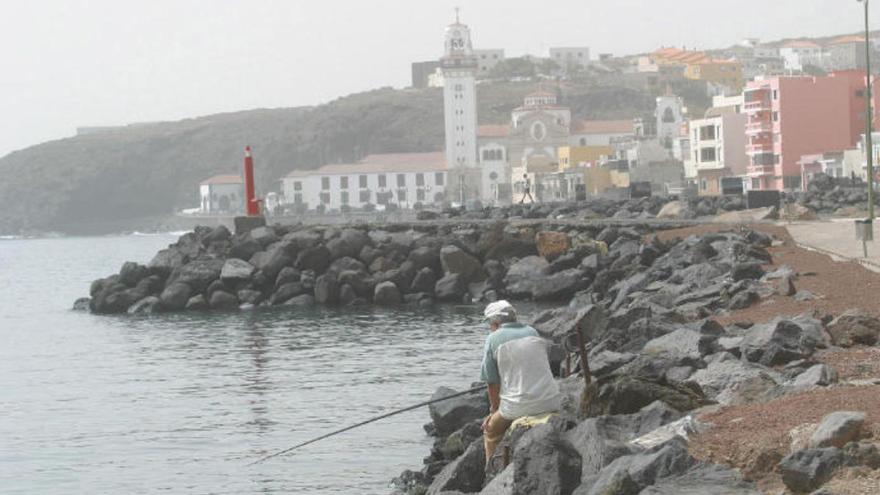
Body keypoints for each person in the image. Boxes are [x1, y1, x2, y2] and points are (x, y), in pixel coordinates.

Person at [479, 300, 560, 465]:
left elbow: (492, 383)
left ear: (495, 322)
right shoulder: (533, 332)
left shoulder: (493, 339)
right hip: (551, 400)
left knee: (491, 431)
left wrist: (493, 411)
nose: (490, 327)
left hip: (518, 407)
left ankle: (491, 473)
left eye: (489, 323)